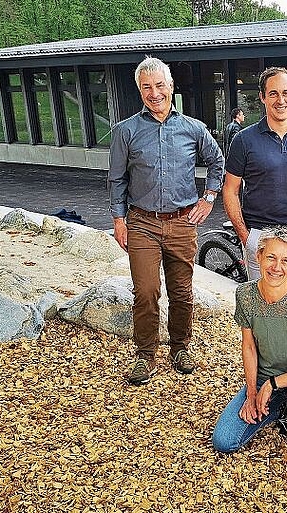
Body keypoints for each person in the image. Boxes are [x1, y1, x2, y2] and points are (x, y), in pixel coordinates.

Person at [108, 56, 225, 385]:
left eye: (160, 85)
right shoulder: (125, 131)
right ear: (139, 90)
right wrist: (119, 220)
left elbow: (217, 161)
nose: (154, 92)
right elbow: (116, 179)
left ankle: (180, 347)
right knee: (145, 291)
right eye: (147, 87)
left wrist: (209, 197)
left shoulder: (192, 128)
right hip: (142, 223)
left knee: (182, 291)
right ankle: (145, 355)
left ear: (171, 88)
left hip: (181, 223)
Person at [212, 226, 287, 461]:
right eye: (271, 258)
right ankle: (279, 407)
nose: (277, 267)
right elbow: (248, 347)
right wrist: (252, 392)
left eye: (285, 260)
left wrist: (271, 385)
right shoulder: (245, 294)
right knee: (224, 440)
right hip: (265, 377)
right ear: (258, 257)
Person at [223, 67, 287, 282]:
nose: (281, 100)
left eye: (286, 93)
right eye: (273, 93)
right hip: (259, 235)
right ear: (262, 97)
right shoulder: (243, 140)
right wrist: (245, 235)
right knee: (259, 304)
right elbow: (230, 190)